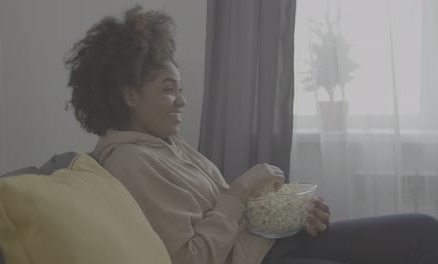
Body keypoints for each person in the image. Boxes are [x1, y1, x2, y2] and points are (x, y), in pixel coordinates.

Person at [65, 5, 438, 264]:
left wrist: (291, 218)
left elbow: (229, 220)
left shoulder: (166, 145)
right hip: (261, 261)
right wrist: (241, 189)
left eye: (180, 89)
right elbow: (190, 258)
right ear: (129, 95)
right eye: (168, 89)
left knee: (423, 231)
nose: (181, 101)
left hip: (272, 248)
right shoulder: (130, 162)